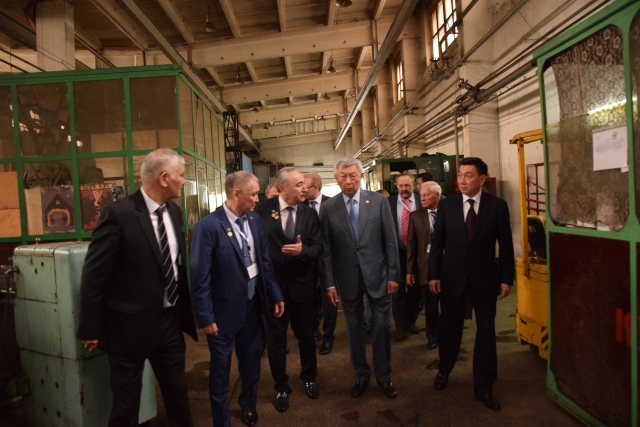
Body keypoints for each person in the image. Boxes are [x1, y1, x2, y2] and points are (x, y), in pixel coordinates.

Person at [77, 148, 197, 427]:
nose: (184, 181)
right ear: (164, 178)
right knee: (126, 406)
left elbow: (174, 265)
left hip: (169, 323)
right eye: (181, 175)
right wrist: (90, 327)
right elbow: (95, 275)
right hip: (128, 328)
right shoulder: (119, 214)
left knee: (178, 397)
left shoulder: (174, 212)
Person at [190, 171, 285, 427]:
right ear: (236, 193)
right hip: (221, 315)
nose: (257, 199)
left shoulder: (253, 220)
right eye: (253, 194)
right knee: (221, 371)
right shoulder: (208, 227)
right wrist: (205, 316)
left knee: (251, 364)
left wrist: (275, 294)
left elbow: (263, 260)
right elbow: (199, 276)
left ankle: (248, 405)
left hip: (252, 308)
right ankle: (221, 420)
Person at [428, 157, 515, 412]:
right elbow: (437, 244)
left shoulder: (497, 206)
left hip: (485, 279)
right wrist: (434, 274)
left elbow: (506, 245)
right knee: (449, 328)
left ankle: (484, 387)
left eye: (468, 175)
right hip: (452, 278)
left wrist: (506, 278)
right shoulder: (448, 205)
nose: (462, 180)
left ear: (482, 179)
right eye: (460, 175)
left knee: (486, 332)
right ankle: (444, 370)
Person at [320, 158, 400, 400]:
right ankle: (361, 376)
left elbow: (390, 240)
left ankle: (384, 377)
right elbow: (326, 249)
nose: (348, 181)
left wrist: (393, 274)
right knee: (354, 329)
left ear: (361, 176)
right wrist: (330, 283)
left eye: (353, 176)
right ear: (336, 179)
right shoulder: (329, 207)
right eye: (343, 176)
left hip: (378, 275)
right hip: (347, 278)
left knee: (381, 327)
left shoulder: (378, 201)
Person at [256, 167, 322, 412]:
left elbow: (318, 248)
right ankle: (281, 387)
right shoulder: (261, 210)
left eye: (305, 184)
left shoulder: (309, 214)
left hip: (302, 288)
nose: (305, 189)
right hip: (273, 289)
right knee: (276, 340)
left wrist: (303, 252)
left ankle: (309, 377)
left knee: (306, 336)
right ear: (282, 188)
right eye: (299, 184)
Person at [406, 181, 442, 350]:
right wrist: (410, 270)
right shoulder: (416, 216)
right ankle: (432, 335)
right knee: (431, 306)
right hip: (426, 268)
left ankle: (448, 334)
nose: (422, 198)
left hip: (447, 267)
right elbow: (412, 245)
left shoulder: (448, 212)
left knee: (450, 305)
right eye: (421, 195)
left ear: (437, 195)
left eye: (426, 195)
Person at [388, 172, 422, 341]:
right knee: (398, 292)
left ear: (413, 185)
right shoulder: (389, 203)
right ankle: (400, 326)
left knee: (417, 291)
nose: (404, 189)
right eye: (400, 186)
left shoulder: (422, 201)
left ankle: (411, 321)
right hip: (397, 254)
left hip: (418, 254)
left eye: (407, 185)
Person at [303, 172, 334, 355]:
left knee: (329, 301)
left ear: (315, 187)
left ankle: (328, 337)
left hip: (328, 261)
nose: (302, 189)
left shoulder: (332, 204)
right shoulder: (301, 207)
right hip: (308, 260)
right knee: (309, 299)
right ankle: (313, 328)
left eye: (305, 186)